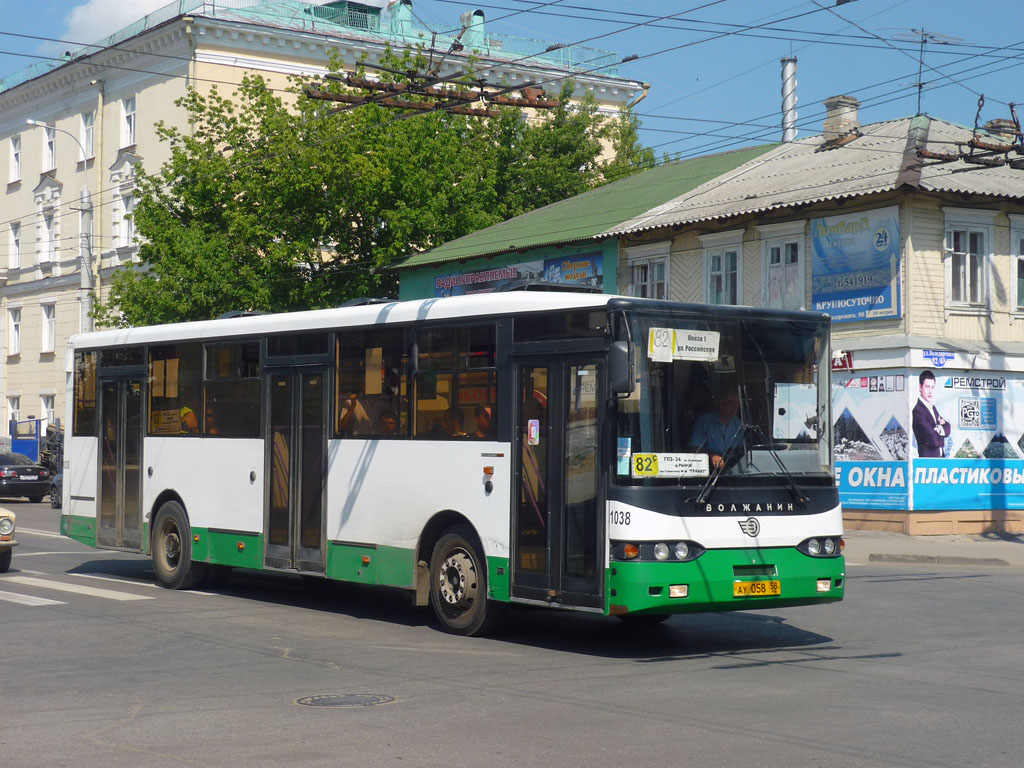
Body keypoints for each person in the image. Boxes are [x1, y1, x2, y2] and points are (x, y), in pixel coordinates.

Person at [688, 391, 742, 470]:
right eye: (731, 402)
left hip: (734, 468)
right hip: (709, 469)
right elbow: (694, 448)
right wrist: (712, 455)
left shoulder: (738, 423)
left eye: (737, 403)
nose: (735, 406)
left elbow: (742, 449)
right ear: (720, 403)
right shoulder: (704, 422)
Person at [912, 370, 950, 457]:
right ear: (920, 387)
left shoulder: (932, 408)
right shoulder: (918, 411)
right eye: (927, 387)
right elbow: (934, 440)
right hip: (927, 462)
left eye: (932, 387)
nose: (930, 391)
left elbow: (948, 427)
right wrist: (941, 433)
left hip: (939, 461)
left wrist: (938, 429)